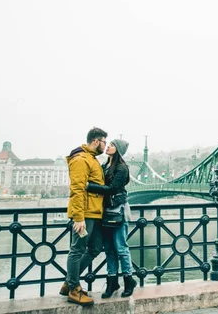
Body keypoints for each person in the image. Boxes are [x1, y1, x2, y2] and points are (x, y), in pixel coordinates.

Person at [60, 127, 107, 306]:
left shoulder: (91, 159)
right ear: (96, 141)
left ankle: (69, 282)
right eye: (103, 142)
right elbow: (77, 189)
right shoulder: (81, 159)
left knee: (95, 247)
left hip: (94, 213)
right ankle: (74, 289)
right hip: (85, 215)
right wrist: (78, 217)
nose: (104, 145)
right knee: (77, 250)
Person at [86, 139, 137, 298]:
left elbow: (113, 189)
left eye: (112, 145)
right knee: (109, 249)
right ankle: (112, 282)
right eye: (109, 144)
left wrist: (90, 186)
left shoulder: (122, 168)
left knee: (121, 248)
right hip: (104, 211)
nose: (108, 146)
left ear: (119, 150)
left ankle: (129, 280)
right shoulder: (104, 166)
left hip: (117, 211)